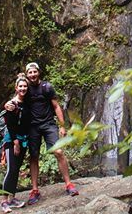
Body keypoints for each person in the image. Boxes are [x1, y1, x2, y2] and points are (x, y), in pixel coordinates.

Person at [6, 61, 78, 204]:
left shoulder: (47, 87)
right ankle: (34, 190)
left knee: (58, 152)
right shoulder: (25, 89)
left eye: (34, 72)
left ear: (38, 72)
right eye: (30, 73)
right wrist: (7, 105)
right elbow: (16, 99)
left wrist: (62, 126)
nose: (32, 75)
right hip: (32, 127)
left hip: (49, 124)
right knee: (34, 156)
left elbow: (56, 107)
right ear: (27, 75)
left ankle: (69, 184)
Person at [0, 74, 30, 212]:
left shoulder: (27, 103)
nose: (23, 88)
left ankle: (12, 199)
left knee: (16, 169)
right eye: (21, 86)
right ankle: (4, 201)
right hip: (11, 140)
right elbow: (10, 125)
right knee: (11, 169)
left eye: (25, 86)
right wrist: (16, 143)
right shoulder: (12, 104)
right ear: (16, 88)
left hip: (23, 139)